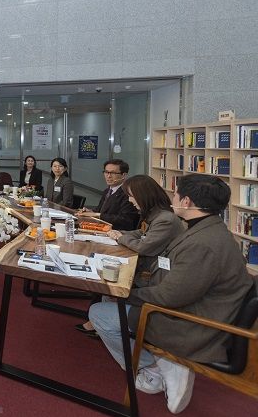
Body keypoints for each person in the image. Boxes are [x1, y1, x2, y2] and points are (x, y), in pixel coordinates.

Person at [89, 174, 253, 414]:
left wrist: (125, 294)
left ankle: (156, 366)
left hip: (191, 323)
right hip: (195, 308)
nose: (171, 198)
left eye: (175, 194)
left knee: (99, 313)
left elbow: (170, 297)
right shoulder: (207, 229)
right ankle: (160, 366)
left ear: (186, 201)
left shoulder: (202, 243)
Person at [76, 174, 185, 336]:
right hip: (150, 269)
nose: (130, 201)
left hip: (154, 276)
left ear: (143, 196)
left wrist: (120, 237)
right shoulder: (157, 214)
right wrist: (120, 233)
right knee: (108, 279)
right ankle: (100, 324)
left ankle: (103, 323)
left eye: (131, 197)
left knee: (110, 277)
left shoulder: (165, 219)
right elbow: (142, 233)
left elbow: (143, 246)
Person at [76, 159, 140, 231]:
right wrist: (89, 211)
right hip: (102, 228)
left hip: (117, 232)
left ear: (124, 175)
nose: (108, 176)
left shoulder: (128, 193)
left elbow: (125, 220)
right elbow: (100, 210)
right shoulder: (107, 191)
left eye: (113, 173)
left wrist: (98, 215)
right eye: (106, 172)